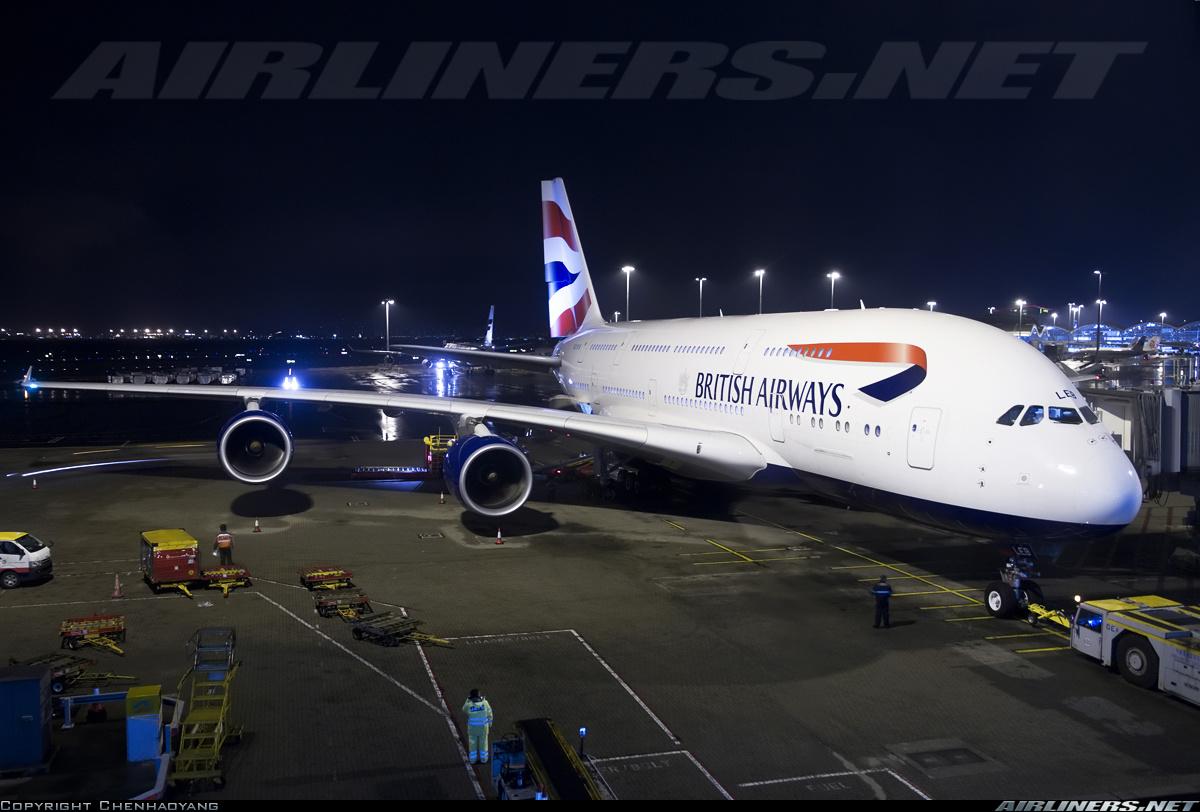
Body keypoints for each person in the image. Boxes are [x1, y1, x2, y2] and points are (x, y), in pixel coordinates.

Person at [462, 688, 493, 765]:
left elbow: (463, 709)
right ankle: (484, 759)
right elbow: (490, 714)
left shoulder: (469, 705)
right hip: (483, 729)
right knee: (484, 744)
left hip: (473, 730)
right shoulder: (485, 703)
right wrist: (490, 723)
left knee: (472, 745)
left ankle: (472, 760)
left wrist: (467, 699)